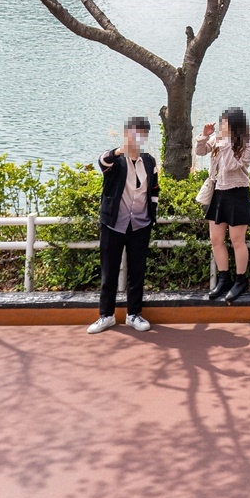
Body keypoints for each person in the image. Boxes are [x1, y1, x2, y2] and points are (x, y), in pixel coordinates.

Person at [87, 116, 160, 335]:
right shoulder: (115, 160)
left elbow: (154, 189)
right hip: (113, 224)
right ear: (126, 133)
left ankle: (133, 314)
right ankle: (106, 315)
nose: (136, 137)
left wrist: (151, 213)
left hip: (140, 224)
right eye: (132, 132)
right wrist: (120, 150)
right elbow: (102, 161)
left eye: (141, 133)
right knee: (109, 272)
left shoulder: (149, 161)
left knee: (137, 272)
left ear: (145, 137)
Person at [194, 107, 250, 303]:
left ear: (234, 125)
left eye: (225, 123)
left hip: (237, 193)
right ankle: (224, 279)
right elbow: (199, 152)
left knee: (237, 241)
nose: (221, 126)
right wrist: (204, 137)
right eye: (221, 122)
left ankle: (241, 280)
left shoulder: (249, 143)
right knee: (216, 240)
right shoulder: (219, 139)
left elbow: (232, 166)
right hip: (218, 194)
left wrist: (225, 142)